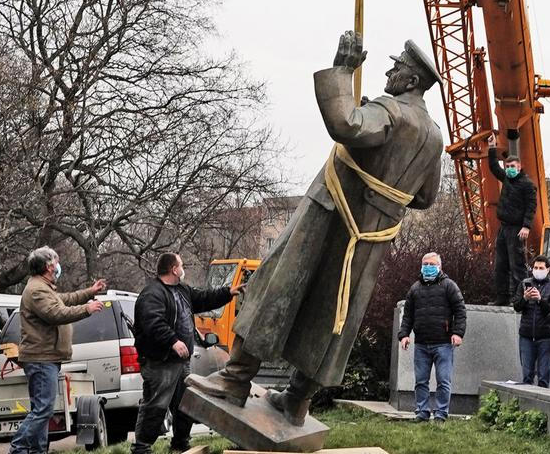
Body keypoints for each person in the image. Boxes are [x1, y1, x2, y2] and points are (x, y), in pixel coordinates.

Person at [190, 31, 444, 427]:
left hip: (329, 216)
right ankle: (296, 401)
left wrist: (343, 71)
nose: (389, 73)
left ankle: (235, 379)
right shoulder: (434, 136)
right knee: (334, 314)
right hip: (370, 240)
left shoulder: (391, 111)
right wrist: (381, 189)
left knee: (274, 286)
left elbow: (345, 125)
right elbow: (425, 197)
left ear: (412, 80)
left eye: (396, 68)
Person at [132, 253, 244, 453]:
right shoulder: (152, 294)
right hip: (160, 362)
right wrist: (173, 341)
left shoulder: (182, 290)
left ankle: (180, 443)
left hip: (181, 362)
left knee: (186, 403)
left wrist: (228, 292)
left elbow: (203, 298)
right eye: (181, 265)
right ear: (174, 269)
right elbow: (153, 324)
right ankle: (141, 447)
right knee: (156, 405)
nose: (183, 268)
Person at [9, 247, 107, 454]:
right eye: (56, 261)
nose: (58, 265)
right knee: (43, 410)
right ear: (48, 266)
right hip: (41, 358)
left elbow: (66, 299)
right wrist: (87, 309)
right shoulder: (37, 290)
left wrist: (90, 292)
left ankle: (37, 451)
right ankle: (18, 448)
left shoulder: (44, 288)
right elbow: (56, 313)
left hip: (46, 358)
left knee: (41, 410)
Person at [398, 252, 467, 422]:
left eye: (432, 264)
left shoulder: (449, 286)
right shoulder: (415, 289)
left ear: (440, 267)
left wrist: (458, 333)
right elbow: (408, 315)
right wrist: (404, 335)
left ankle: (441, 414)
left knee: (443, 381)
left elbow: (460, 311)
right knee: (421, 381)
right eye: (425, 264)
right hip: (421, 344)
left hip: (443, 343)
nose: (428, 267)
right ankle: (422, 412)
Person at [487, 134, 538, 306]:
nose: (509, 169)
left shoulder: (527, 184)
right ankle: (502, 297)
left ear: (519, 167)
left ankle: (519, 299)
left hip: (517, 228)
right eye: (507, 166)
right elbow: (494, 167)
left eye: (512, 166)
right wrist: (492, 147)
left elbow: (531, 206)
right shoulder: (507, 179)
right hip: (504, 227)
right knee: (500, 265)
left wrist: (526, 226)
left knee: (517, 265)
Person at [511, 255, 550, 387]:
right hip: (526, 335)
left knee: (543, 376)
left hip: (546, 336)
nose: (538, 270)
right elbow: (516, 306)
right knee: (527, 375)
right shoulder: (524, 283)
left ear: (548, 269)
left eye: (541, 268)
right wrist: (525, 298)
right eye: (535, 267)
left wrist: (540, 300)